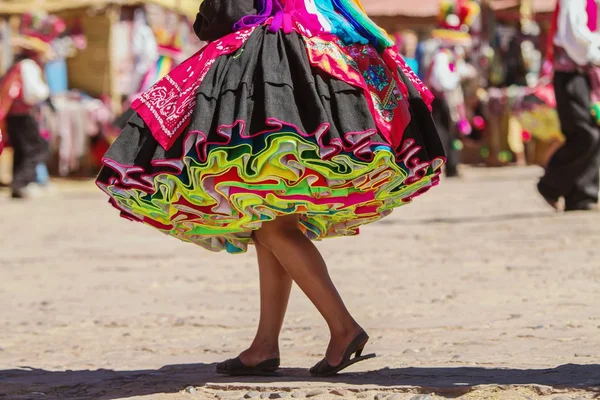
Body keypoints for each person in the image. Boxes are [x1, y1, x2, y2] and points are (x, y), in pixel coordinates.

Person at [96, 0, 445, 377]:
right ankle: (265, 345)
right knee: (273, 223)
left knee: (274, 225)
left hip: (273, 66)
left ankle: (343, 328)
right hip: (319, 55)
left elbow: (229, 10)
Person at [538, 0, 600, 212]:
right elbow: (574, 37)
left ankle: (582, 195)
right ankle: (550, 185)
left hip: (584, 74)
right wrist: (595, 53)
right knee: (584, 133)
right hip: (570, 75)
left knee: (593, 131)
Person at [426, 0, 480, 177]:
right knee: (445, 134)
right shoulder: (442, 56)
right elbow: (444, 81)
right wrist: (459, 74)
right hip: (442, 99)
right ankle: (445, 165)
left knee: (453, 133)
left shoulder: (451, 56)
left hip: (451, 99)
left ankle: (453, 165)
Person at [0, 27, 52, 199]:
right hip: (24, 115)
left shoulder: (16, 66)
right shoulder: (28, 67)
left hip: (13, 115)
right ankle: (22, 183)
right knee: (37, 148)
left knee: (21, 149)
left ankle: (17, 185)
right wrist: (45, 92)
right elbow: (33, 93)